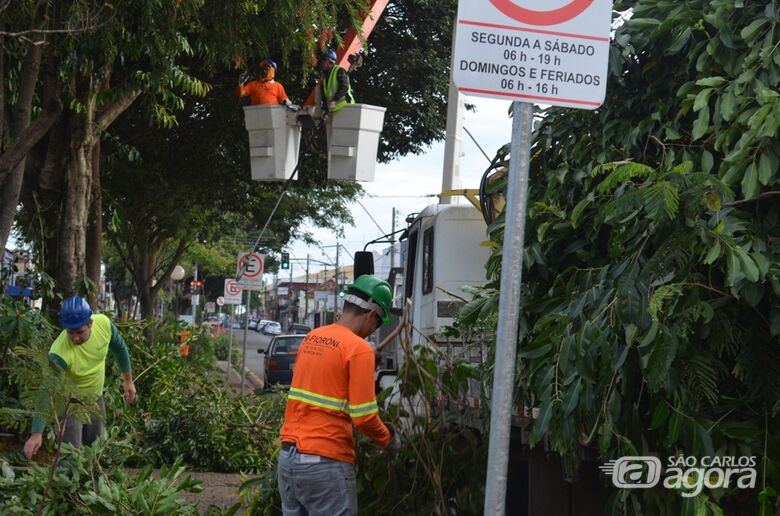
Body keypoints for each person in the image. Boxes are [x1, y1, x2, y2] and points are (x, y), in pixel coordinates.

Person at [277, 274, 400, 515]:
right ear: (370, 315)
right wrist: (388, 439)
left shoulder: (312, 338)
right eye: (377, 324)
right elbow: (364, 417)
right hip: (325, 463)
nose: (372, 332)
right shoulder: (359, 349)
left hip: (288, 459)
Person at [23, 296, 136, 459]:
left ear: (90, 324)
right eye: (70, 332)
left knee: (97, 453)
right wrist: (36, 432)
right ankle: (66, 483)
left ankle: (92, 484)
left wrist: (128, 380)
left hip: (95, 400)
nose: (75, 337)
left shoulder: (104, 325)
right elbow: (46, 390)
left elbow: (120, 348)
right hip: (69, 404)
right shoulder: (59, 353)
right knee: (71, 458)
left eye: (80, 332)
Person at [317, 49, 355, 114]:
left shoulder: (339, 71)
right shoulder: (324, 77)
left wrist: (334, 100)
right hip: (334, 109)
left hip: (346, 107)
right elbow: (324, 96)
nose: (320, 63)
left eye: (322, 61)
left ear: (328, 61)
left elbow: (344, 87)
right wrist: (325, 107)